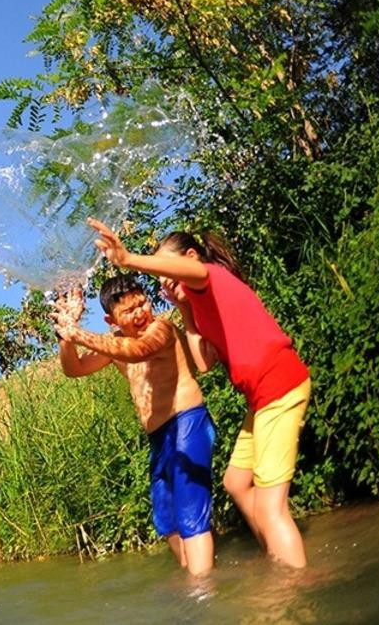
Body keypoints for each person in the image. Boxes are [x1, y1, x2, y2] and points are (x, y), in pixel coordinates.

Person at [87, 218, 311, 568]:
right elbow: (204, 363)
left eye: (170, 274)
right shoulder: (198, 303)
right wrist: (183, 307)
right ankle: (275, 555)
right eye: (163, 282)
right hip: (262, 398)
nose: (166, 283)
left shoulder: (209, 276)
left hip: (279, 386)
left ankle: (292, 586)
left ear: (191, 258)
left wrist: (128, 258)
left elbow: (186, 273)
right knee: (236, 483)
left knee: (271, 508)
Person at [50, 275, 216, 576]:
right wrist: (65, 336)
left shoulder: (160, 329)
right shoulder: (114, 343)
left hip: (187, 423)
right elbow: (73, 369)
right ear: (110, 319)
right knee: (167, 521)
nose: (140, 313)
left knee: (192, 516)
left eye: (142, 303)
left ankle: (203, 592)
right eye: (128, 311)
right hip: (159, 439)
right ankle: (196, 584)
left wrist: (79, 334)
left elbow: (140, 351)